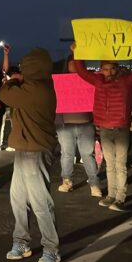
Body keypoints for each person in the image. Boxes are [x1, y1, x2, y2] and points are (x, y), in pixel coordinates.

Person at [0, 47, 60, 262]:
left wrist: (13, 80)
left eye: (24, 67)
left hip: (36, 151)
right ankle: (21, 242)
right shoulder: (35, 86)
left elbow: (4, 94)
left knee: (40, 203)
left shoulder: (37, 88)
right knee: (18, 200)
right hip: (24, 150)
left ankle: (51, 248)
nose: (21, 70)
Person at [72, 40, 132, 212]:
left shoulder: (125, 82)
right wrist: (78, 53)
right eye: (105, 69)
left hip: (121, 129)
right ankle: (111, 196)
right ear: (101, 69)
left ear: (118, 68)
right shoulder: (97, 81)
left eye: (112, 68)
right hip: (104, 129)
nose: (109, 72)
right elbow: (82, 72)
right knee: (110, 164)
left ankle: (121, 197)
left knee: (120, 165)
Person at [55, 56, 102, 197]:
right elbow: (55, 103)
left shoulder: (89, 80)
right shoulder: (60, 82)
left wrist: (96, 122)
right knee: (67, 154)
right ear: (67, 65)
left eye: (78, 64)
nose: (75, 66)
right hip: (65, 125)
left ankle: (94, 184)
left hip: (86, 123)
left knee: (87, 154)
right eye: (72, 64)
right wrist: (57, 123)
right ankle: (67, 181)